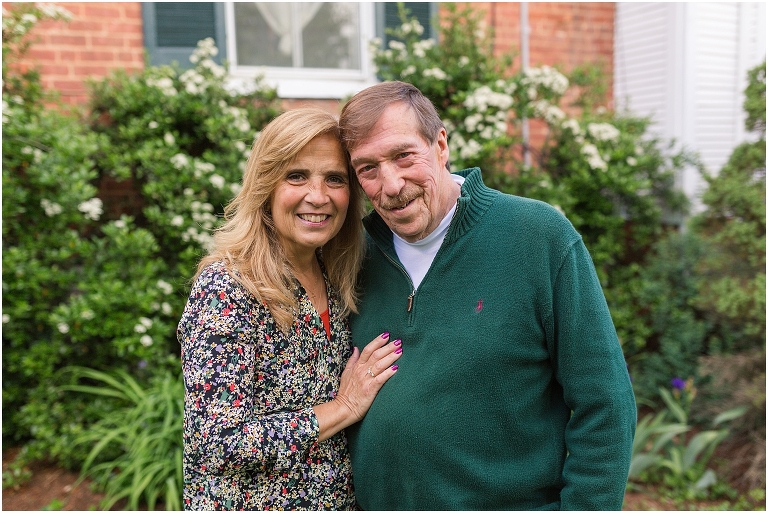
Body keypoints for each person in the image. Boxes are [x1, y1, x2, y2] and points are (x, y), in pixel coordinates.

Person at [338, 81, 636, 510]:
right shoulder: (352, 257)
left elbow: (605, 403)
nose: (391, 184)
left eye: (404, 156)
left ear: (440, 144)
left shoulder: (538, 238)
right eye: (367, 169)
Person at [177, 108, 402, 510]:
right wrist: (342, 408)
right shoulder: (228, 289)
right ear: (266, 185)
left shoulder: (332, 275)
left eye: (334, 179)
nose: (318, 196)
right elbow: (216, 442)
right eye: (296, 176)